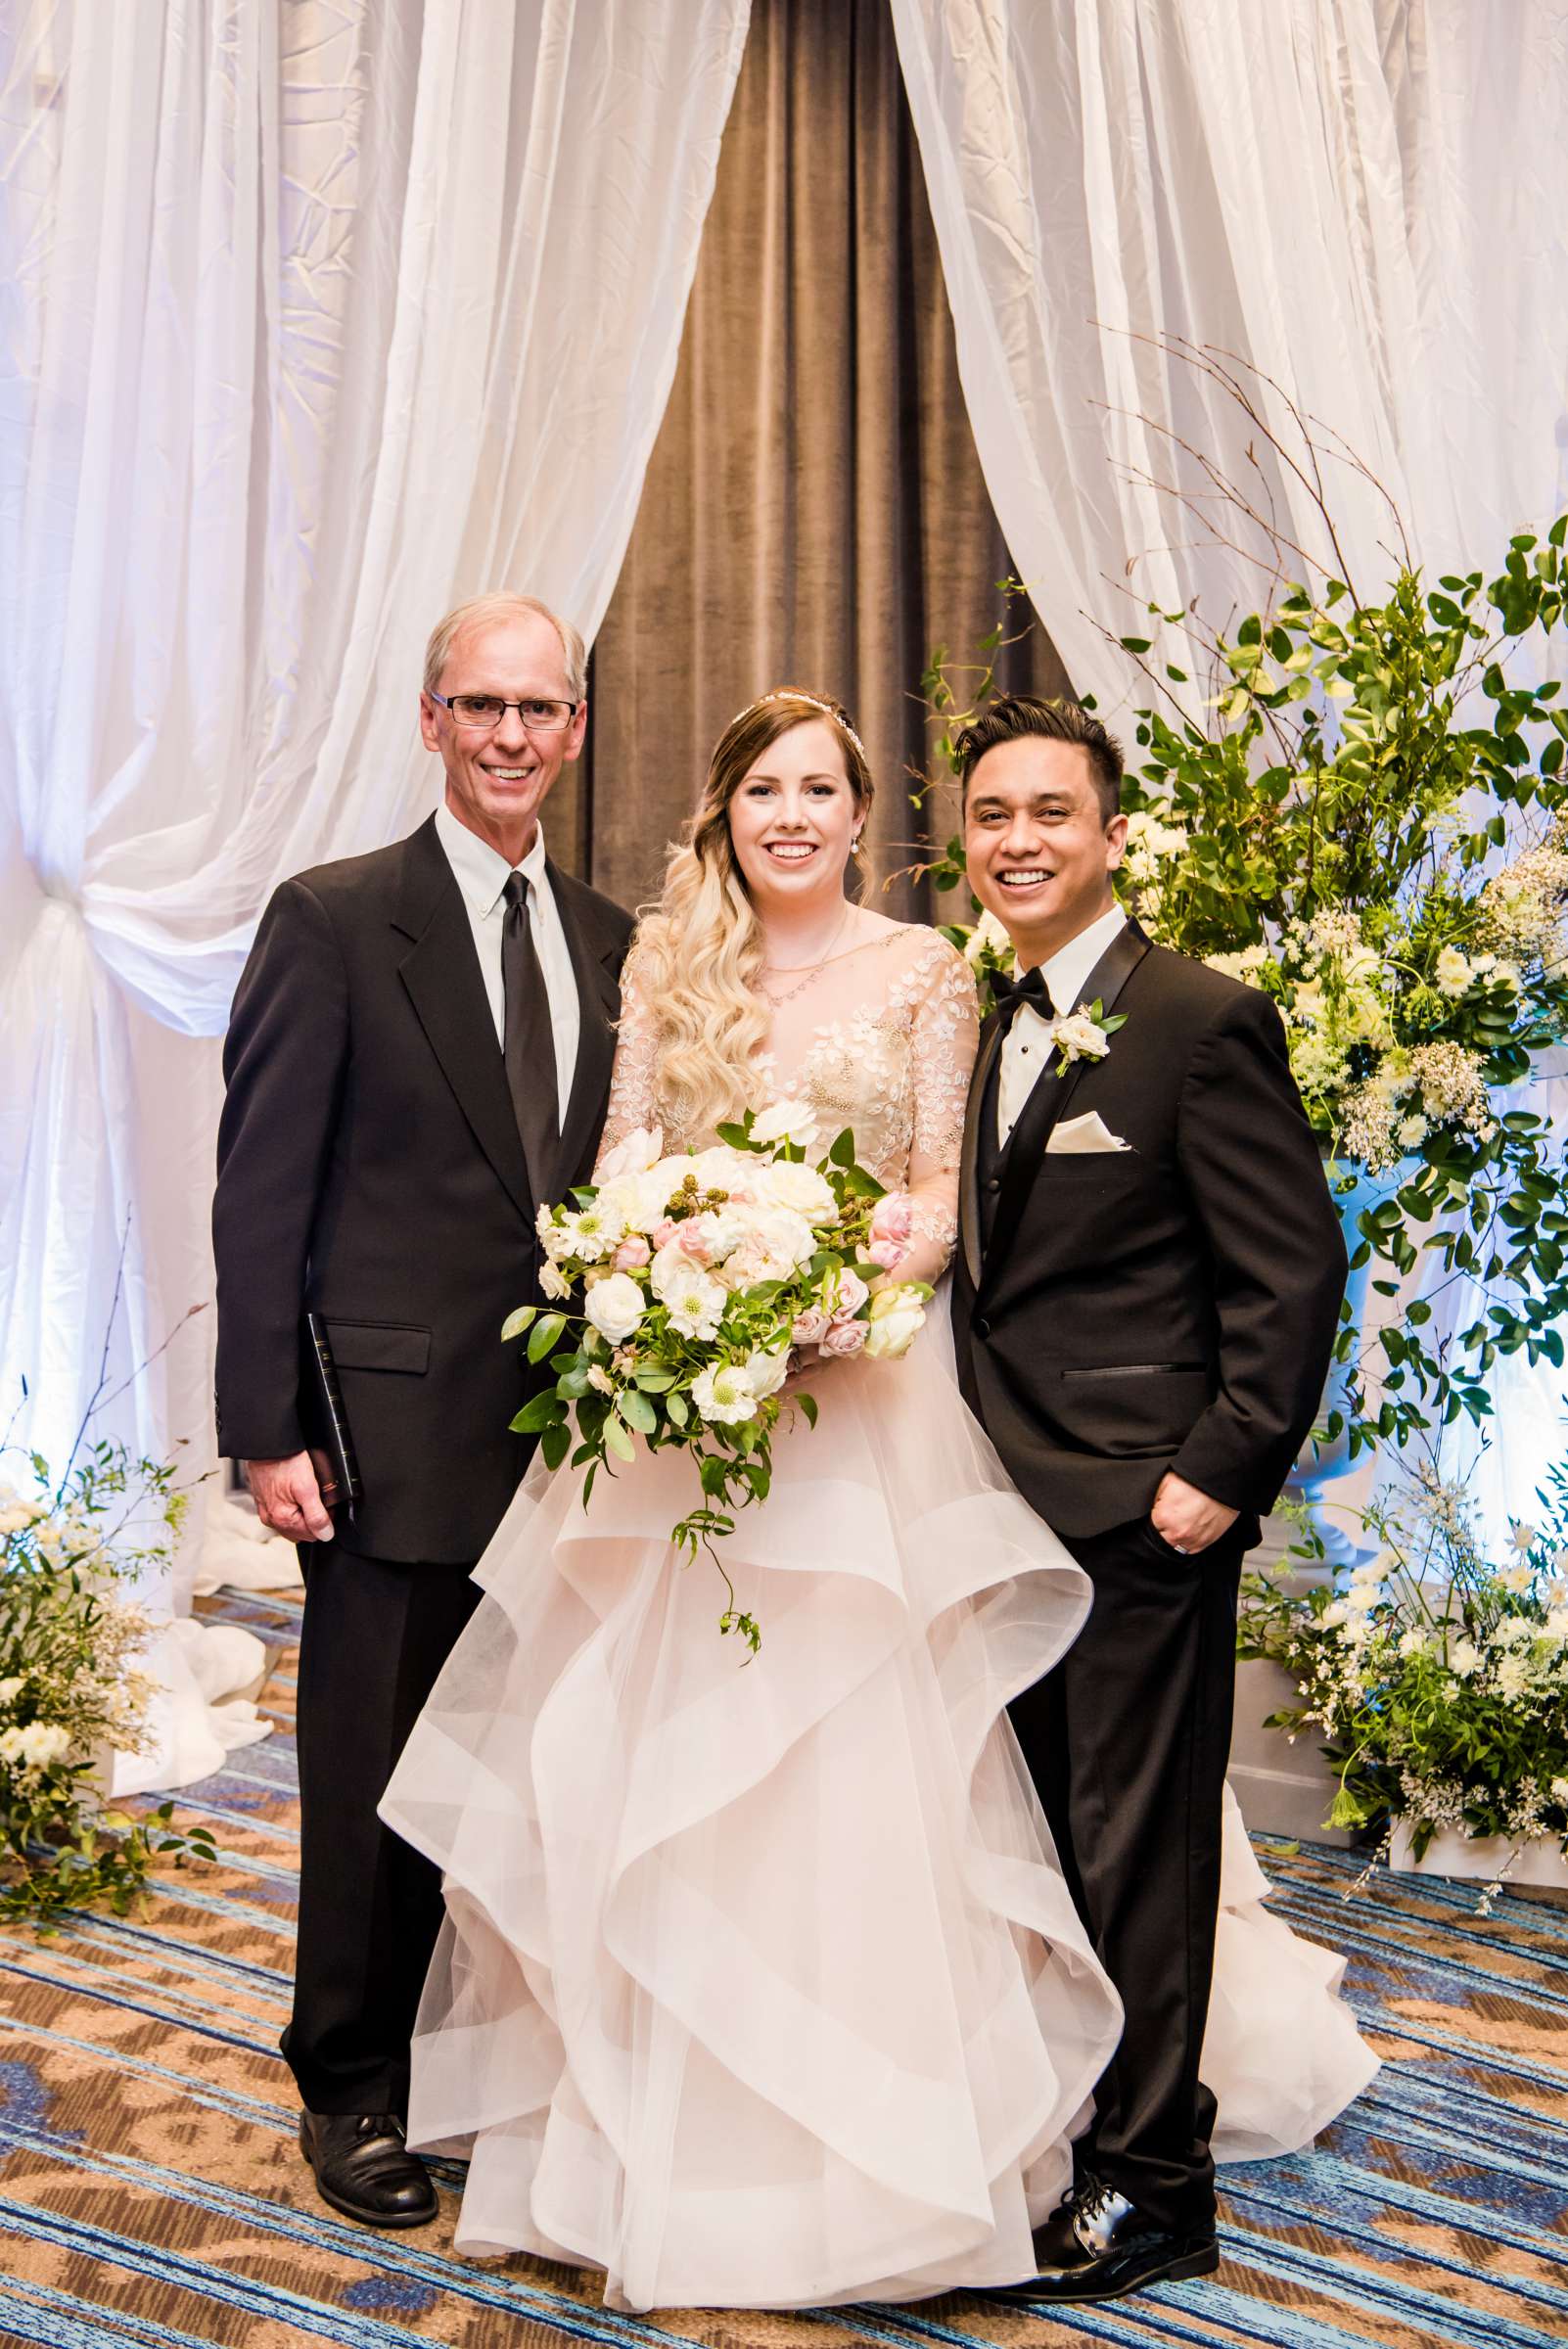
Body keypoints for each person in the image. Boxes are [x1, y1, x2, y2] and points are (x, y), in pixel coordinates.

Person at [381, 688, 1372, 2310]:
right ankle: (677, 2136)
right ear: (729, 809)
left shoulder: (963, 977)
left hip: (902, 1432)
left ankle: (1060, 2156)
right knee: (679, 1778)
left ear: (862, 818)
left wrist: (821, 1300)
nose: (789, 812)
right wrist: (674, 1276)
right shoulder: (676, 965)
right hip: (701, 1437)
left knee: (948, 1789)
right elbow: (632, 1165)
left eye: (820, 787)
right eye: (759, 784)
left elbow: (954, 1199)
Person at [212, 592, 634, 2229]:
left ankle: (485, 2061)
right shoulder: (332, 919)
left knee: (536, 1775)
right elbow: (263, 1191)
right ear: (429, 717)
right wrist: (268, 1426)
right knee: (375, 1775)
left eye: (540, 709)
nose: (512, 736)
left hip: (585, 1448)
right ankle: (353, 2081)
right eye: (482, 706)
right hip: (384, 1438)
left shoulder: (614, 941)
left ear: (575, 728)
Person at [950, 694, 1354, 2305]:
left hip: (1138, 1512)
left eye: (1051, 812)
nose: (1020, 840)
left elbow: (1292, 1268)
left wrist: (1218, 1472)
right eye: (992, 815)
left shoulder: (1193, 1015)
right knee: (1046, 1844)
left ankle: (1152, 2183)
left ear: (1110, 834)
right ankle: (1081, 2125)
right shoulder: (989, 1014)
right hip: (998, 1503)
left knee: (1137, 1854)